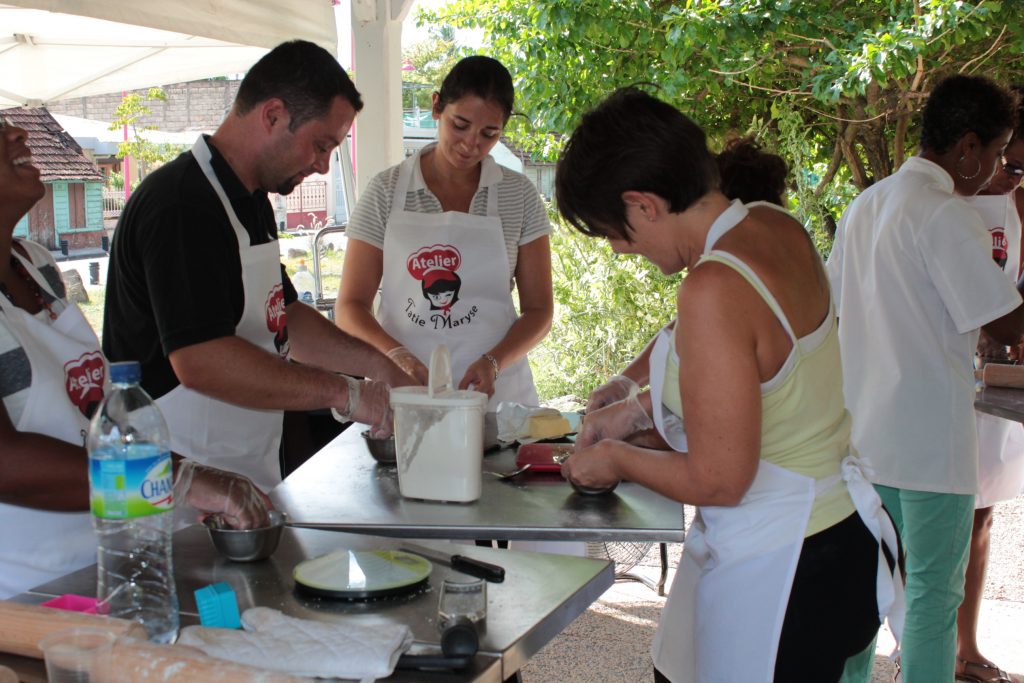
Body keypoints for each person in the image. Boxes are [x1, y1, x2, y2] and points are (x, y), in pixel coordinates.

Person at [555, 88, 903, 683]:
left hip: (787, 561)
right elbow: (753, 390)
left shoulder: (713, 286)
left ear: (642, 205)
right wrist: (636, 408)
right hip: (836, 535)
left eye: (613, 232)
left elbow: (719, 478)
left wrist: (614, 458)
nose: (618, 249)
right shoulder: (774, 225)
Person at [103, 41, 410, 492]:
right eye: (321, 145)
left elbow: (283, 313)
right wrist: (344, 392)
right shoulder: (183, 204)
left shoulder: (250, 200)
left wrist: (380, 367)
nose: (324, 167)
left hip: (244, 469)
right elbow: (201, 360)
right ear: (273, 115)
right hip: (173, 482)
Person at [0, 117, 270, 599]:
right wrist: (175, 479)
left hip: (103, 564)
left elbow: (86, 415)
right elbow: (5, 463)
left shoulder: (36, 266)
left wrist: (181, 479)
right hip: (22, 594)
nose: (18, 134)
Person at [826, 74, 1023, 683]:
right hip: (930, 447)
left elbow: (831, 308)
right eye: (994, 155)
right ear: (966, 146)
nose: (994, 170)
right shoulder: (943, 212)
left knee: (861, 599)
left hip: (862, 441)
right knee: (935, 602)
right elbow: (1009, 324)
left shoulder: (867, 205)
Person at [334, 55, 553, 411]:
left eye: (489, 134)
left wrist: (494, 362)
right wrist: (395, 356)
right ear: (436, 106)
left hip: (497, 397)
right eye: (460, 125)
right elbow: (350, 306)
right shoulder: (386, 191)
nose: (471, 144)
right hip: (404, 392)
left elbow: (540, 310)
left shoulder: (519, 195)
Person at [587, 136, 791, 413]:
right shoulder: (783, 241)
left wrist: (627, 428)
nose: (616, 247)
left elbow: (721, 437)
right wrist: (627, 381)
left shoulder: (726, 279)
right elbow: (683, 329)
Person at [957, 119, 1024, 683]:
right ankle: (921, 641)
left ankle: (966, 645)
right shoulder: (941, 208)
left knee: (982, 517)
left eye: (1019, 167)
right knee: (940, 520)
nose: (1009, 175)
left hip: (994, 382)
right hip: (940, 388)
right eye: (1006, 160)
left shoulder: (1017, 206)